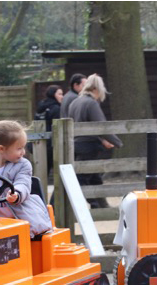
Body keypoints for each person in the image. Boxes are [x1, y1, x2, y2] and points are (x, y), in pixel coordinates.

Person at [0, 120, 52, 237]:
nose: (23, 152)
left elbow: (23, 183)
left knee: (20, 232)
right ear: (1, 149)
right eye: (19, 148)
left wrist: (16, 193)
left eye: (23, 147)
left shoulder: (23, 165)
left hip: (18, 211)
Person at [68, 73, 123, 209]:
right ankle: (93, 203)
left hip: (76, 145)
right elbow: (101, 126)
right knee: (82, 177)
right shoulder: (91, 103)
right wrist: (117, 142)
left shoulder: (75, 102)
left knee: (94, 177)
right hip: (89, 146)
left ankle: (101, 205)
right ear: (96, 89)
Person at [34, 85, 63, 174]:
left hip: (38, 142)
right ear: (53, 95)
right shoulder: (56, 108)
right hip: (51, 143)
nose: (62, 96)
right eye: (60, 94)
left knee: (41, 170)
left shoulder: (41, 106)